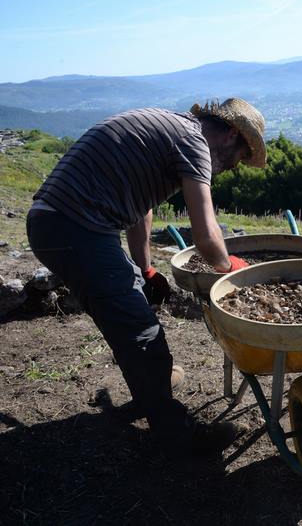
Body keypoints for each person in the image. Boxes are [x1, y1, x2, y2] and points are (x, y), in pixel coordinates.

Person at [25, 98, 265, 458]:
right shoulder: (195, 143)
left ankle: (152, 388)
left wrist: (145, 267)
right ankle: (176, 436)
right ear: (231, 135)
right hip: (73, 226)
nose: (233, 167)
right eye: (240, 157)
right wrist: (235, 270)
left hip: (59, 222)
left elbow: (141, 206)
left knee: (131, 296)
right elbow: (207, 237)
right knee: (138, 327)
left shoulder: (171, 127)